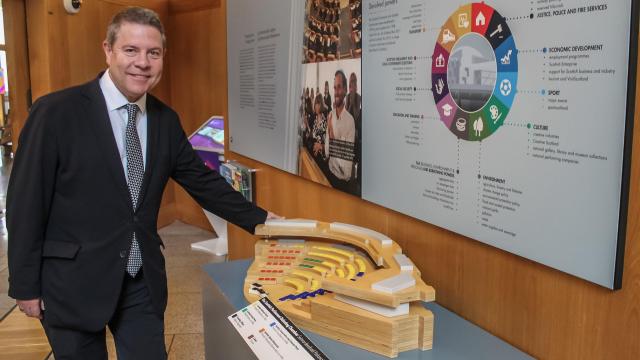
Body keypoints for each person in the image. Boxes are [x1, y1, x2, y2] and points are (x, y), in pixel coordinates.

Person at [7, 7, 278, 359]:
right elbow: (26, 203)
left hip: (140, 280)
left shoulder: (165, 120)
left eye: (153, 52)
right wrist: (25, 286)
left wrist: (265, 222)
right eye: (131, 50)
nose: (142, 63)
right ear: (108, 50)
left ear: (163, 57)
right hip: (72, 283)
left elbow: (202, 182)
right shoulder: (56, 113)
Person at [323, 70, 355, 192]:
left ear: (346, 89)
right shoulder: (330, 115)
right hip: (329, 175)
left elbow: (346, 171)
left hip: (342, 185)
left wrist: (332, 138)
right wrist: (338, 145)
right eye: (335, 88)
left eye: (339, 87)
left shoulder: (350, 121)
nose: (336, 92)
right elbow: (327, 153)